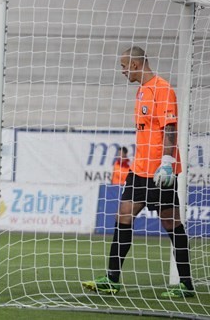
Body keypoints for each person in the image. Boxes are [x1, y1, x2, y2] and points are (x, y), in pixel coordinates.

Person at [82, 46, 194, 298]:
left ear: (134, 64)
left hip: (159, 171)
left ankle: (186, 283)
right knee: (124, 215)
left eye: (123, 66)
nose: (122, 71)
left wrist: (166, 162)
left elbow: (170, 129)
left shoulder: (162, 89)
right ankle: (111, 279)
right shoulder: (141, 91)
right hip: (140, 169)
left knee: (170, 222)